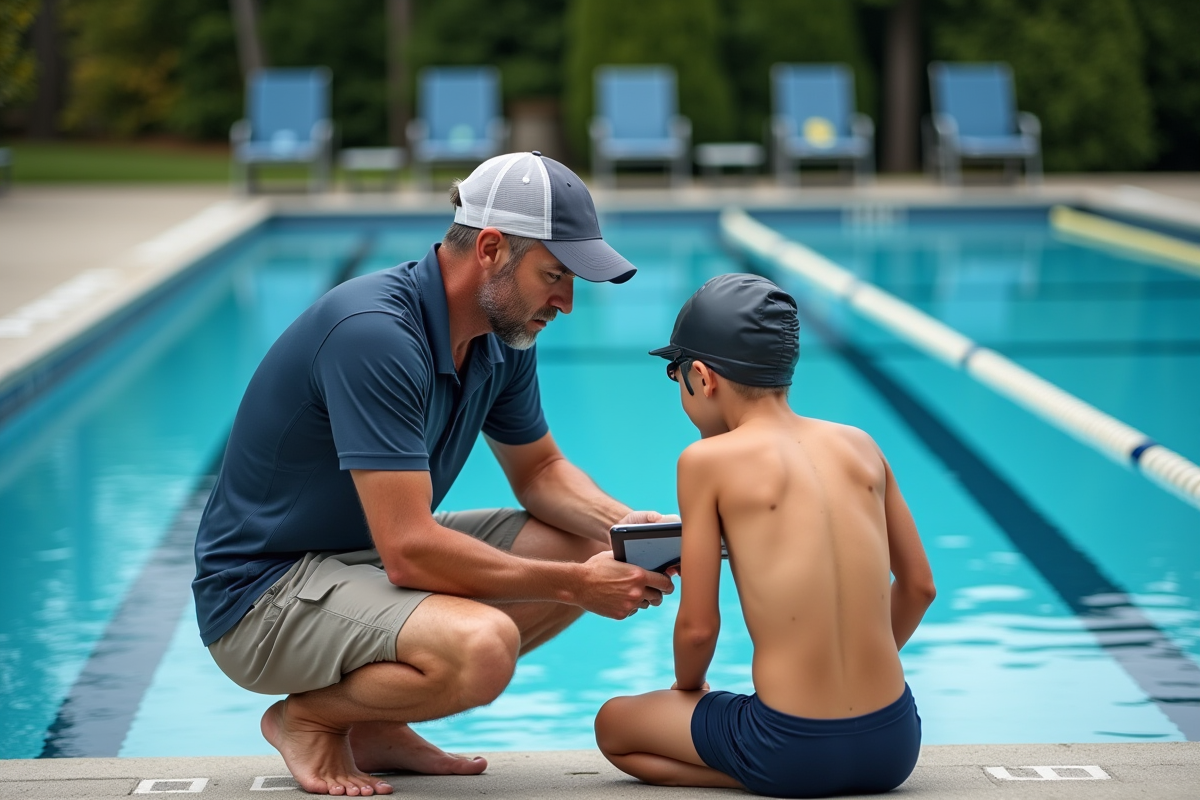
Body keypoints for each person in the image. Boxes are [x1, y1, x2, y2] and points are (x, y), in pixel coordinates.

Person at [192, 152, 675, 797]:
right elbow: (410, 552)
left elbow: (541, 471)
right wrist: (574, 587)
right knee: (482, 647)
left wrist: (629, 527)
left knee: (591, 544)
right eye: (554, 275)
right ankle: (305, 719)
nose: (565, 302)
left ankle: (377, 726)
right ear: (492, 249)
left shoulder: (501, 338)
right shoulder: (377, 335)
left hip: (354, 559)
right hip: (261, 592)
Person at [594, 274, 936, 798]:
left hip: (789, 747)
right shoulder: (860, 445)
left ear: (702, 377)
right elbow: (919, 588)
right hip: (895, 744)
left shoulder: (705, 461)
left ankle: (758, 776)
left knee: (613, 727)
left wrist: (687, 692)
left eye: (674, 373)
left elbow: (699, 626)